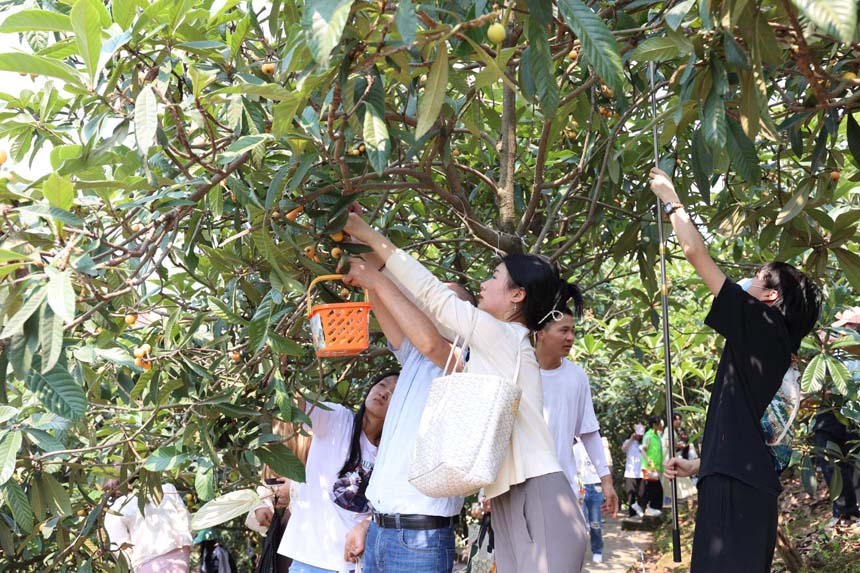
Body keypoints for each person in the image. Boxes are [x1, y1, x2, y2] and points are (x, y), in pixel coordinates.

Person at [341, 211, 588, 573]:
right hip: (508, 497)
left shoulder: (506, 336)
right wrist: (370, 259)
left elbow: (433, 300)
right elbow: (424, 312)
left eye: (494, 277)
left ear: (517, 295)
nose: (485, 284)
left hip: (537, 493)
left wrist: (367, 236)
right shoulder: (493, 349)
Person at [651, 167, 822, 573]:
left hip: (738, 489)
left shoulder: (763, 325)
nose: (746, 282)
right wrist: (701, 463)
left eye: (757, 278)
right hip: (736, 479)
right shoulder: (769, 339)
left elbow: (696, 254)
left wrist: (672, 199)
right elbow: (743, 423)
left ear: (770, 296)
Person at [343, 259, 476, 572]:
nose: (431, 305)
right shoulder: (416, 358)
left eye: (444, 301)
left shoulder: (467, 359)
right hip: (380, 529)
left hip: (421, 535)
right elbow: (391, 316)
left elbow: (430, 340)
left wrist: (375, 277)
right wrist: (366, 264)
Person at [278, 371, 398, 573]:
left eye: (394, 393)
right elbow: (295, 406)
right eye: (382, 384)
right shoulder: (338, 419)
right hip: (311, 560)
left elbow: (390, 505)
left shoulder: (393, 451)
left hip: (356, 564)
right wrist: (280, 369)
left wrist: (365, 525)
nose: (384, 393)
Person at [534, 302, 619, 518]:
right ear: (541, 333)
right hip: (521, 491)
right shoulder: (519, 370)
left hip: (563, 489)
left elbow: (588, 431)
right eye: (563, 330)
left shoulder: (577, 376)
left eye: (573, 331)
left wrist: (606, 481)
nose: (570, 337)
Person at [246, 421, 313, 573]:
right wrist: (261, 504)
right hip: (287, 531)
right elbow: (267, 482)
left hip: (305, 533)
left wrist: (294, 489)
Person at [814, 307, 860, 526]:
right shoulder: (831, 346)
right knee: (828, 456)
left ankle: (853, 510)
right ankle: (843, 512)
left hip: (854, 407)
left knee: (855, 458)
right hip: (829, 409)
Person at [103, 480, 193, 573]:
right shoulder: (167, 489)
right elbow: (185, 517)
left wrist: (130, 564)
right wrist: (186, 544)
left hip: (146, 560)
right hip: (179, 552)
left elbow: (119, 545)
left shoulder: (115, 509)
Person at [573, 436, 613, 564]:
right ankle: (577, 552)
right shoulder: (575, 448)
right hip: (581, 486)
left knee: (595, 522)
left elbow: (608, 465)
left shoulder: (599, 445)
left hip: (596, 486)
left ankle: (597, 550)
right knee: (580, 522)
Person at [639, 416, 664, 516]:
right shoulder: (648, 435)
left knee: (653, 488)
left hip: (656, 466)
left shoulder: (657, 435)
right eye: (660, 424)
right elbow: (643, 449)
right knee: (654, 488)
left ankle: (647, 506)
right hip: (649, 467)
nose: (662, 425)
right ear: (654, 424)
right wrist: (648, 459)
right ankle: (648, 506)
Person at [622, 424, 645, 517]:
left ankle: (641, 512)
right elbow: (623, 449)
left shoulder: (644, 443)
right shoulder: (628, 442)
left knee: (642, 493)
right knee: (630, 494)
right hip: (630, 473)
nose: (639, 436)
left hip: (641, 472)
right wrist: (631, 439)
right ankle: (631, 513)